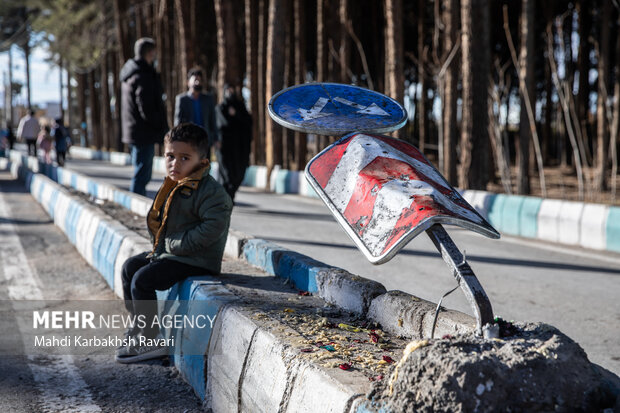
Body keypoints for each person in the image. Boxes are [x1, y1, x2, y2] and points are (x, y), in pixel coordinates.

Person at [116, 123, 232, 364]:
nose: (174, 164)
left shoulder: (211, 192)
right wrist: (164, 247)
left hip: (197, 259)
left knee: (143, 280)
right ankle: (140, 327)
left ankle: (152, 340)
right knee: (129, 268)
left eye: (184, 158)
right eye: (170, 156)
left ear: (201, 160)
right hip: (172, 253)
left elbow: (211, 228)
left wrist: (173, 245)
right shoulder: (175, 183)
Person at [120, 37, 168, 196]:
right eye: (153, 52)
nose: (155, 56)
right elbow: (145, 106)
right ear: (149, 53)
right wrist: (159, 126)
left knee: (140, 170)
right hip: (143, 132)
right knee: (142, 173)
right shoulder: (142, 75)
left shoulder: (130, 73)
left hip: (134, 131)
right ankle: (136, 204)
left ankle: (136, 201)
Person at [215, 84, 252, 201]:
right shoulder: (220, 108)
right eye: (228, 91)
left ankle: (230, 197)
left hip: (239, 148)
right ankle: (225, 199)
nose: (230, 94)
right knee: (227, 175)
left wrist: (236, 115)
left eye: (232, 91)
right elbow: (223, 124)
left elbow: (248, 123)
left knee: (239, 174)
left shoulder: (240, 107)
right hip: (225, 147)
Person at [174, 68, 219, 156]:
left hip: (205, 141)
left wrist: (216, 138)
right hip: (188, 142)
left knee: (205, 168)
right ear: (188, 82)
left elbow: (212, 120)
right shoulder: (181, 99)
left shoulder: (208, 99)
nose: (197, 82)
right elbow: (177, 121)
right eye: (195, 80)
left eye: (199, 80)